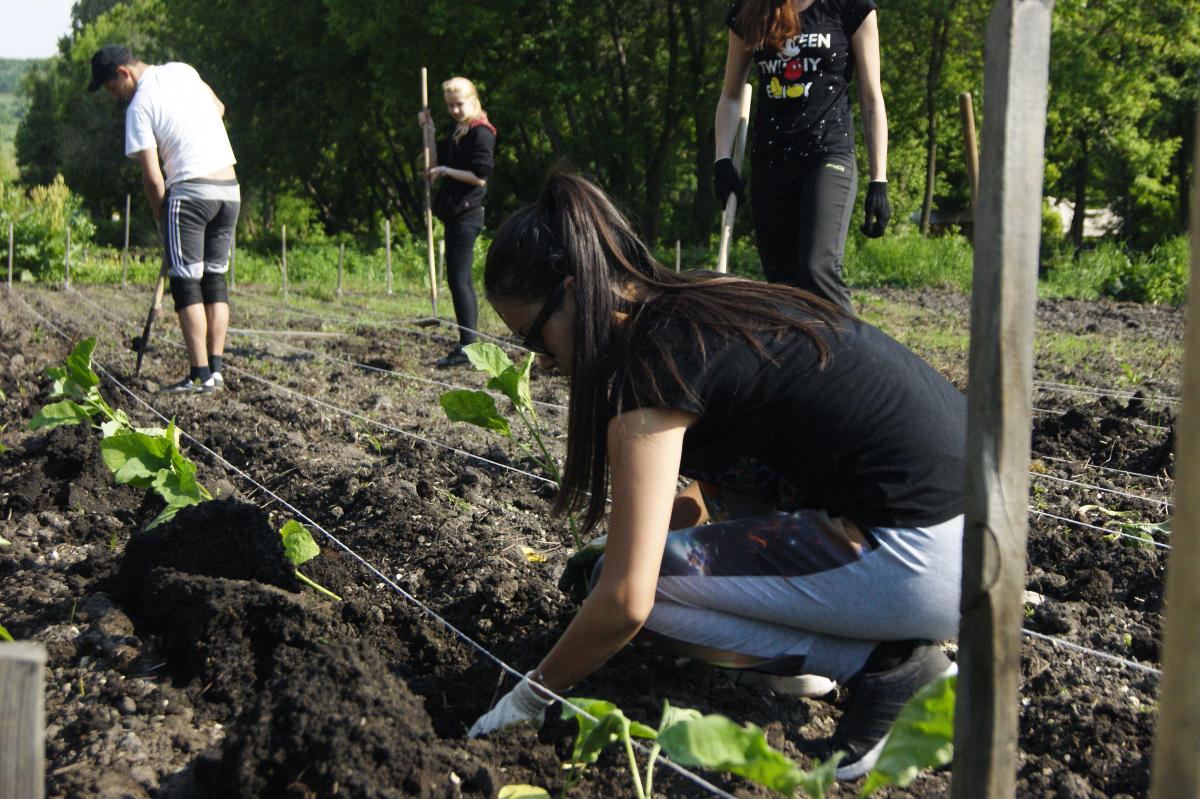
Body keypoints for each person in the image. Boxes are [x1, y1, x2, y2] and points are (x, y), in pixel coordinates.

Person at [467, 173, 965, 782]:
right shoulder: (699, 303)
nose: (539, 361)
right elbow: (738, 486)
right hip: (984, 529)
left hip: (921, 553)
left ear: (573, 292)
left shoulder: (650, 363)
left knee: (620, 586)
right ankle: (821, 656)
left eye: (530, 335)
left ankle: (885, 664)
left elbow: (626, 601)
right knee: (638, 567)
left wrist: (525, 699)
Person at [714, 0, 890, 315]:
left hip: (827, 155)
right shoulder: (750, 11)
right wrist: (722, 161)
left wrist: (879, 180)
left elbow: (871, 97)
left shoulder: (849, 7)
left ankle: (858, 357)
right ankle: (805, 361)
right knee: (783, 287)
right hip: (771, 164)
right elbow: (730, 96)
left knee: (817, 269)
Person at [88, 44, 238, 394]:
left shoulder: (140, 105)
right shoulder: (182, 70)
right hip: (229, 189)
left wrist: (161, 220)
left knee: (186, 284)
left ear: (124, 73)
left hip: (189, 192)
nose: (115, 97)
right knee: (214, 280)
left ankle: (200, 376)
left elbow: (153, 178)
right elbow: (218, 107)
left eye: (112, 89)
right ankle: (215, 372)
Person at [419, 77, 497, 368]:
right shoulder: (460, 130)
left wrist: (446, 170)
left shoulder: (482, 134)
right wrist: (429, 130)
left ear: (473, 100)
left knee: (460, 279)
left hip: (468, 214)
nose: (454, 110)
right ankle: (467, 346)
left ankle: (468, 347)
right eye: (450, 105)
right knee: (457, 279)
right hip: (455, 213)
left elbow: (480, 176)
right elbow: (433, 161)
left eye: (458, 104)